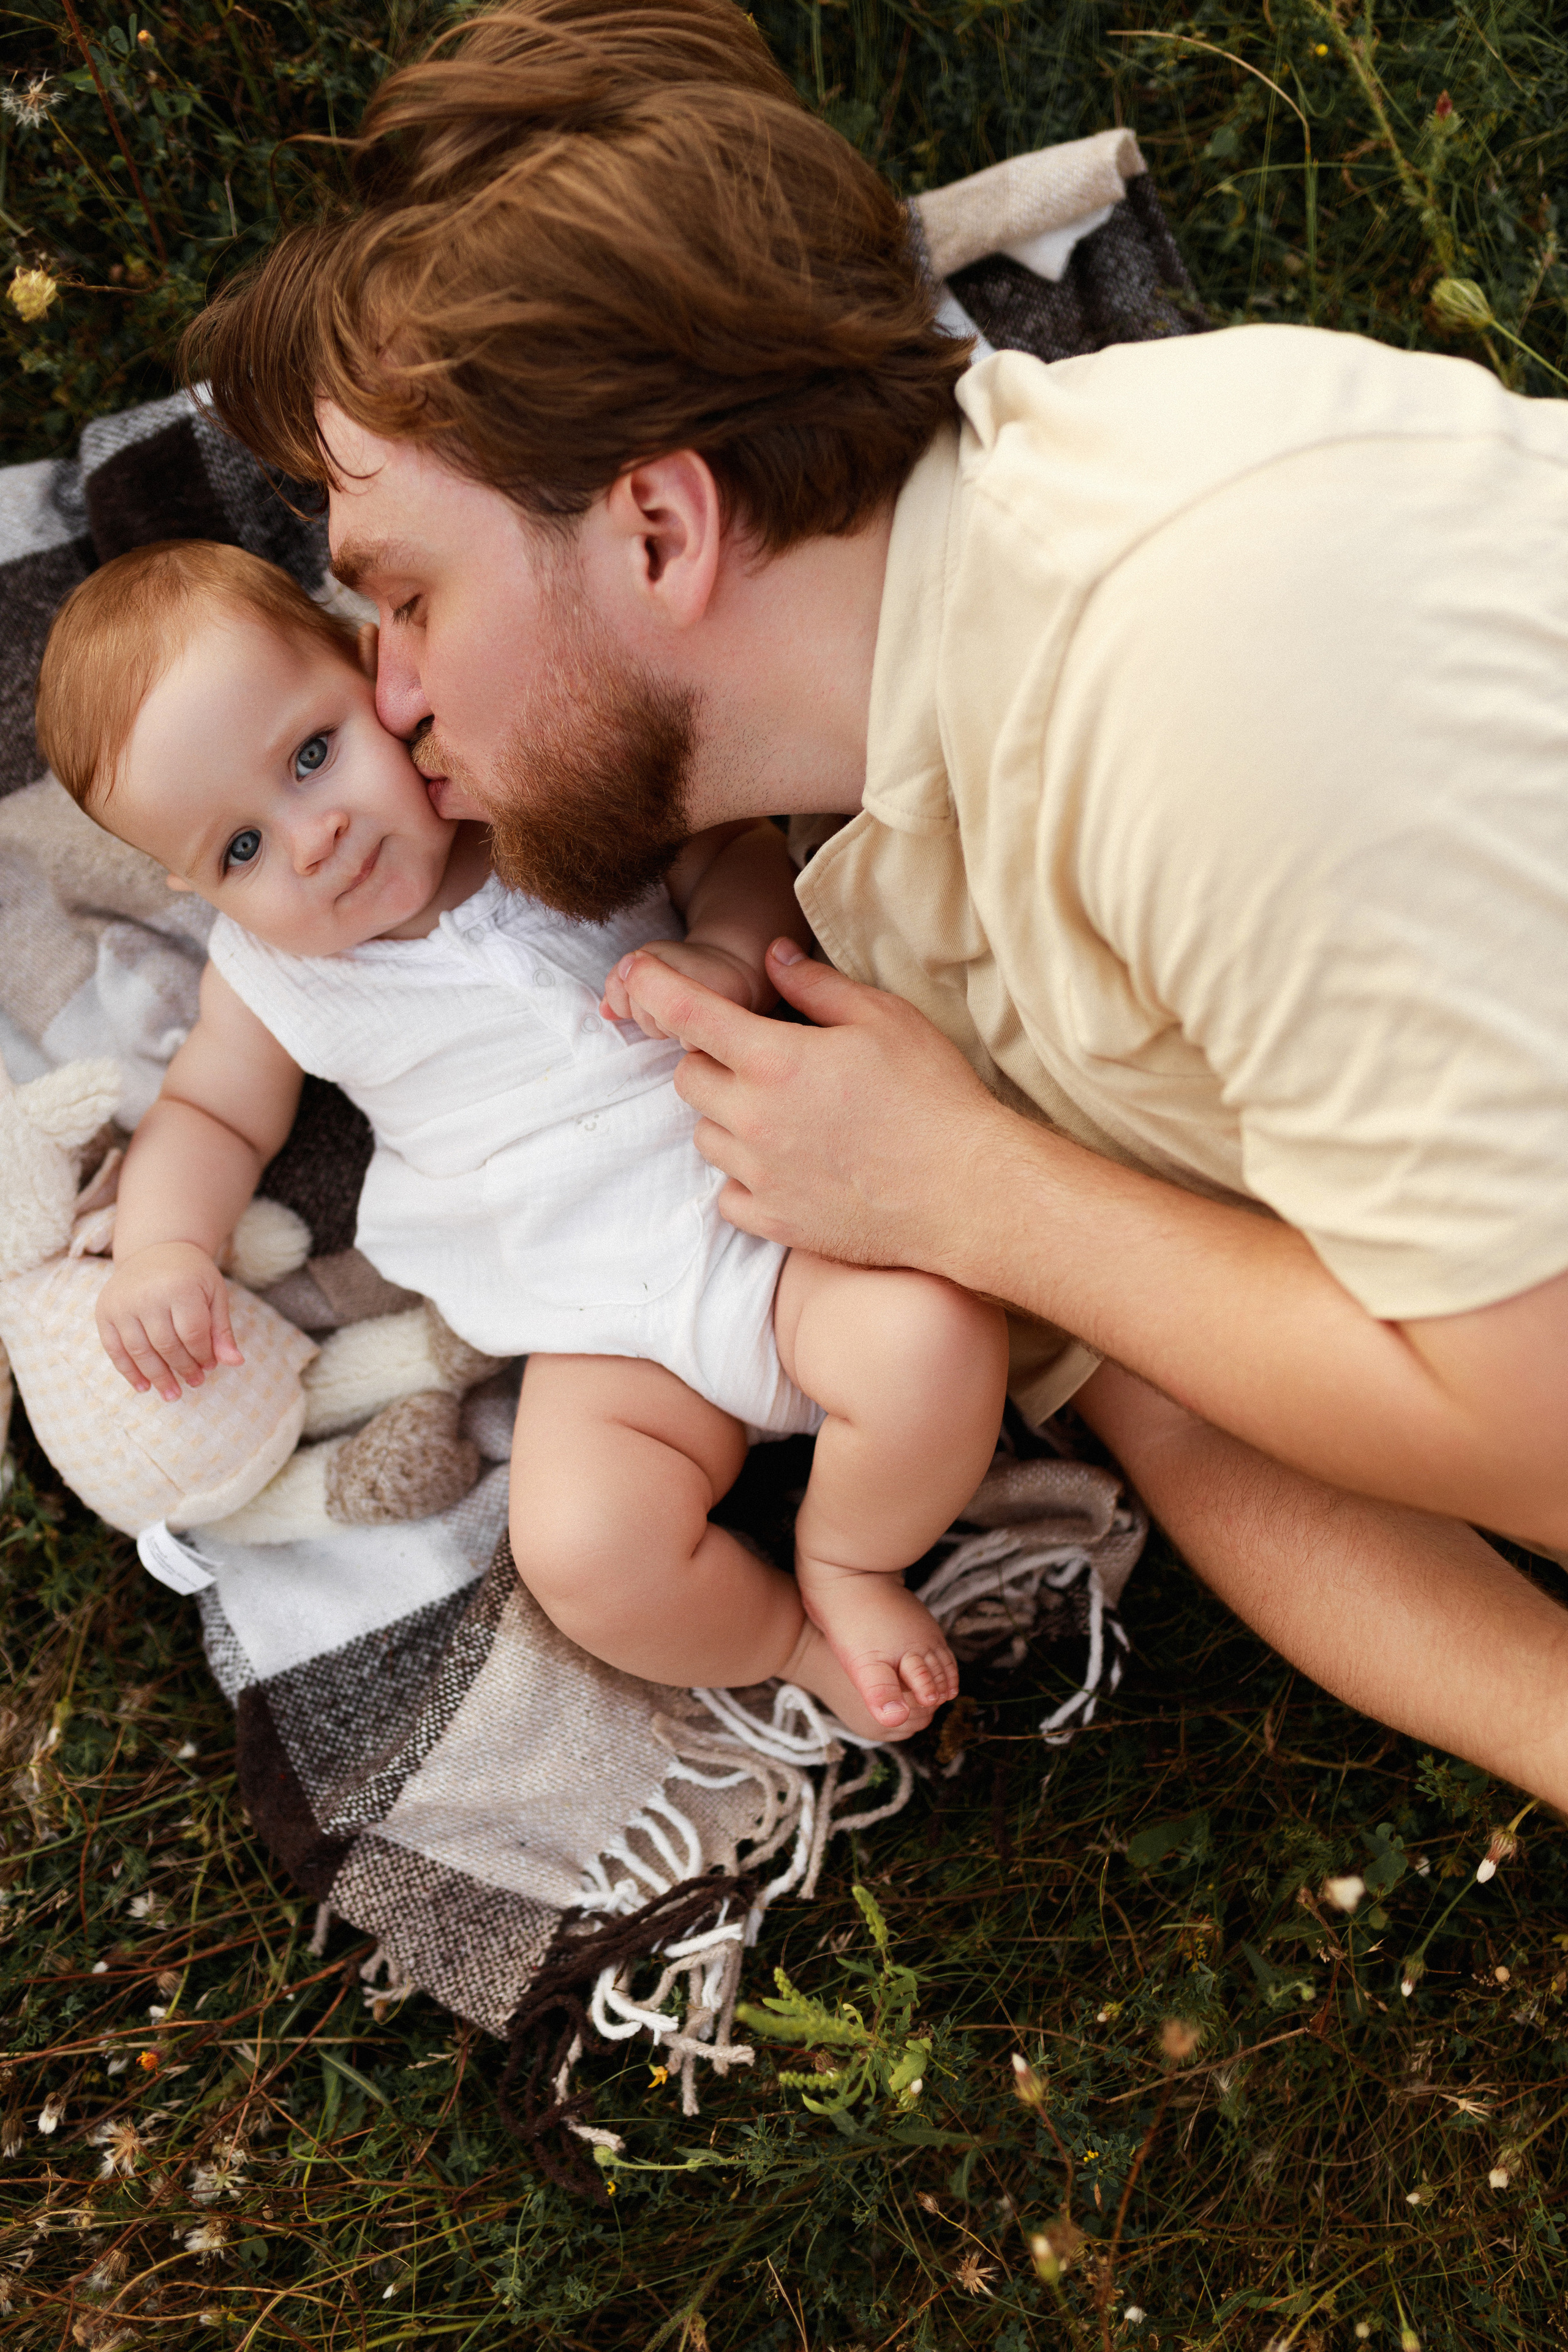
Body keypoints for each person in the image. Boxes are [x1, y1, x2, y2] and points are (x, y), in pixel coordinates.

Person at [183, 0, 1568, 1806]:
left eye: (412, 598)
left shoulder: (1209, 686)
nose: (391, 697)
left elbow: (1535, 1425)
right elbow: (1174, 1389)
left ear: (659, 532)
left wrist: (982, 1194)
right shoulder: (886, 821)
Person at [34, 537, 1013, 1741]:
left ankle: (850, 1561)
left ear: (374, 672)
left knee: (933, 1343)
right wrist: (163, 1250)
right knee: (582, 1553)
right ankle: (794, 1645)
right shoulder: (267, 977)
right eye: (240, 849)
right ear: (194, 890)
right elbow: (208, 1115)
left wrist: (720, 953)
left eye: (311, 755)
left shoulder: (526, 788)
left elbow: (730, 845)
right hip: (598, 1330)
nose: (312, 838)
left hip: (783, 1220)